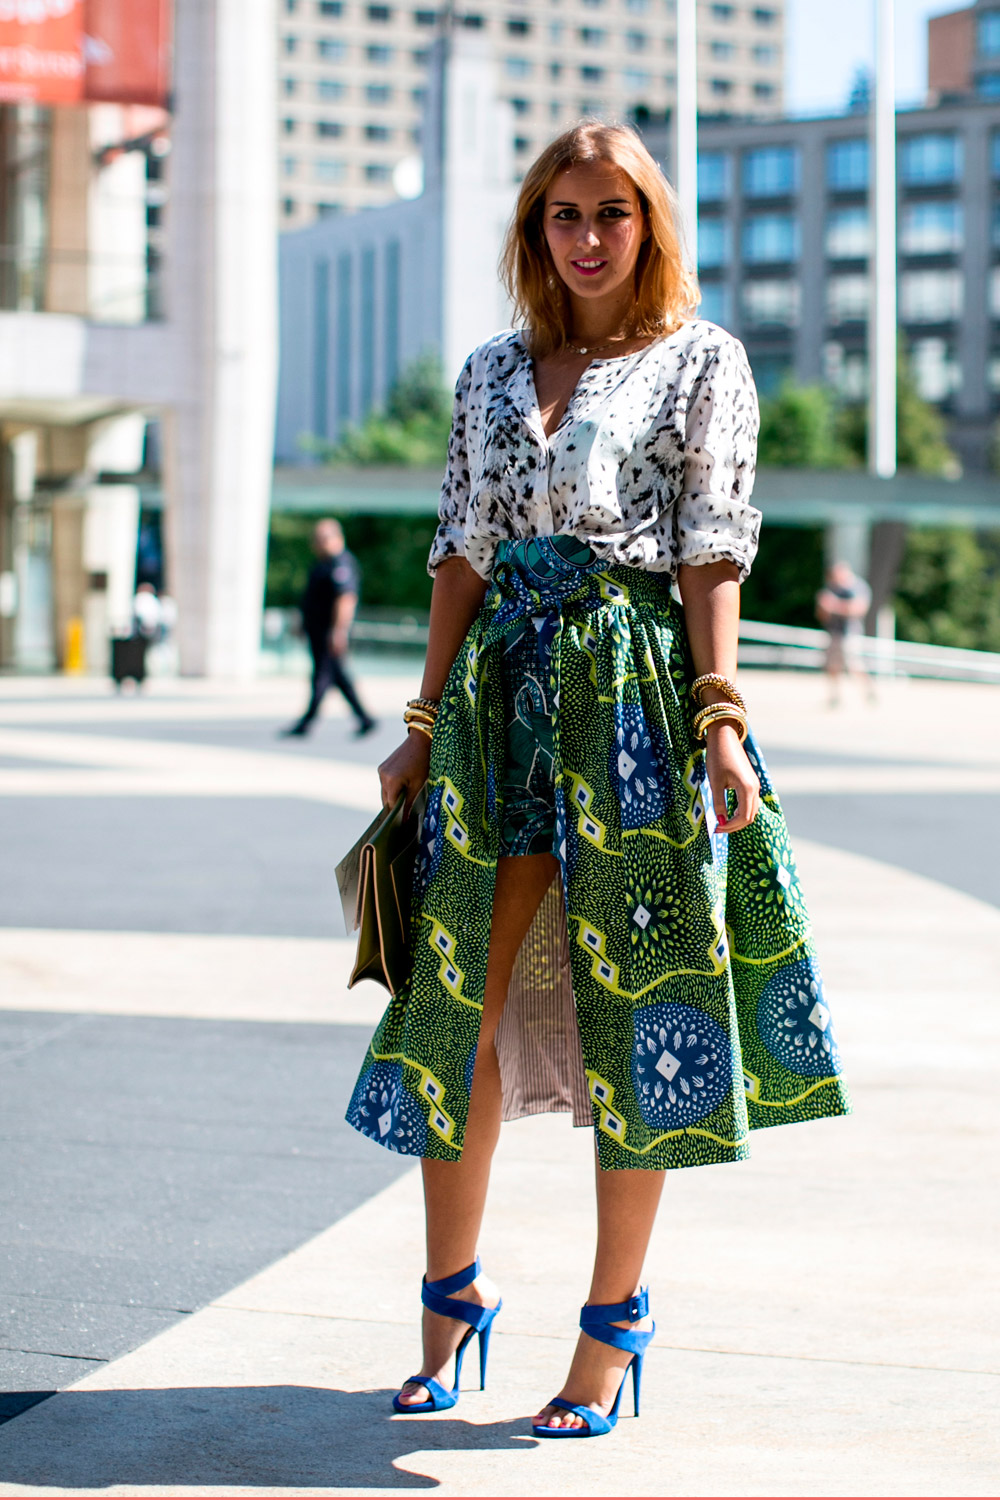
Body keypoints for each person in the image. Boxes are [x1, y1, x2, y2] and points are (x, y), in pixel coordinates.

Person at [345, 123, 850, 1440]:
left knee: (645, 1013)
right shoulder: (491, 371)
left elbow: (711, 552)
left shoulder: (703, 362)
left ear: (648, 225)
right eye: (561, 214)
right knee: (453, 1001)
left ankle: (612, 1332)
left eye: (608, 214)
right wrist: (418, 716)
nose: (583, 236)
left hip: (628, 697)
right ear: (535, 229)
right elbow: (461, 546)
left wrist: (721, 719)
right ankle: (449, 1300)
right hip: (495, 702)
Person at [282, 518, 376, 738]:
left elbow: (346, 598)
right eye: (315, 539)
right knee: (337, 677)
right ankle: (364, 718)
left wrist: (338, 631)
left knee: (323, 677)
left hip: (329, 634)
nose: (316, 544)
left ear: (336, 538)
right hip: (319, 633)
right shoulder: (323, 563)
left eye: (322, 539)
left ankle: (307, 722)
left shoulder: (340, 563)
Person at [816, 560, 873, 706]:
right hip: (834, 633)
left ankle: (869, 692)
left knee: (854, 665)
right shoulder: (831, 588)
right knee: (833, 666)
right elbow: (821, 613)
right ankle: (835, 697)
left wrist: (834, 606)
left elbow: (858, 609)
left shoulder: (858, 587)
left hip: (851, 634)